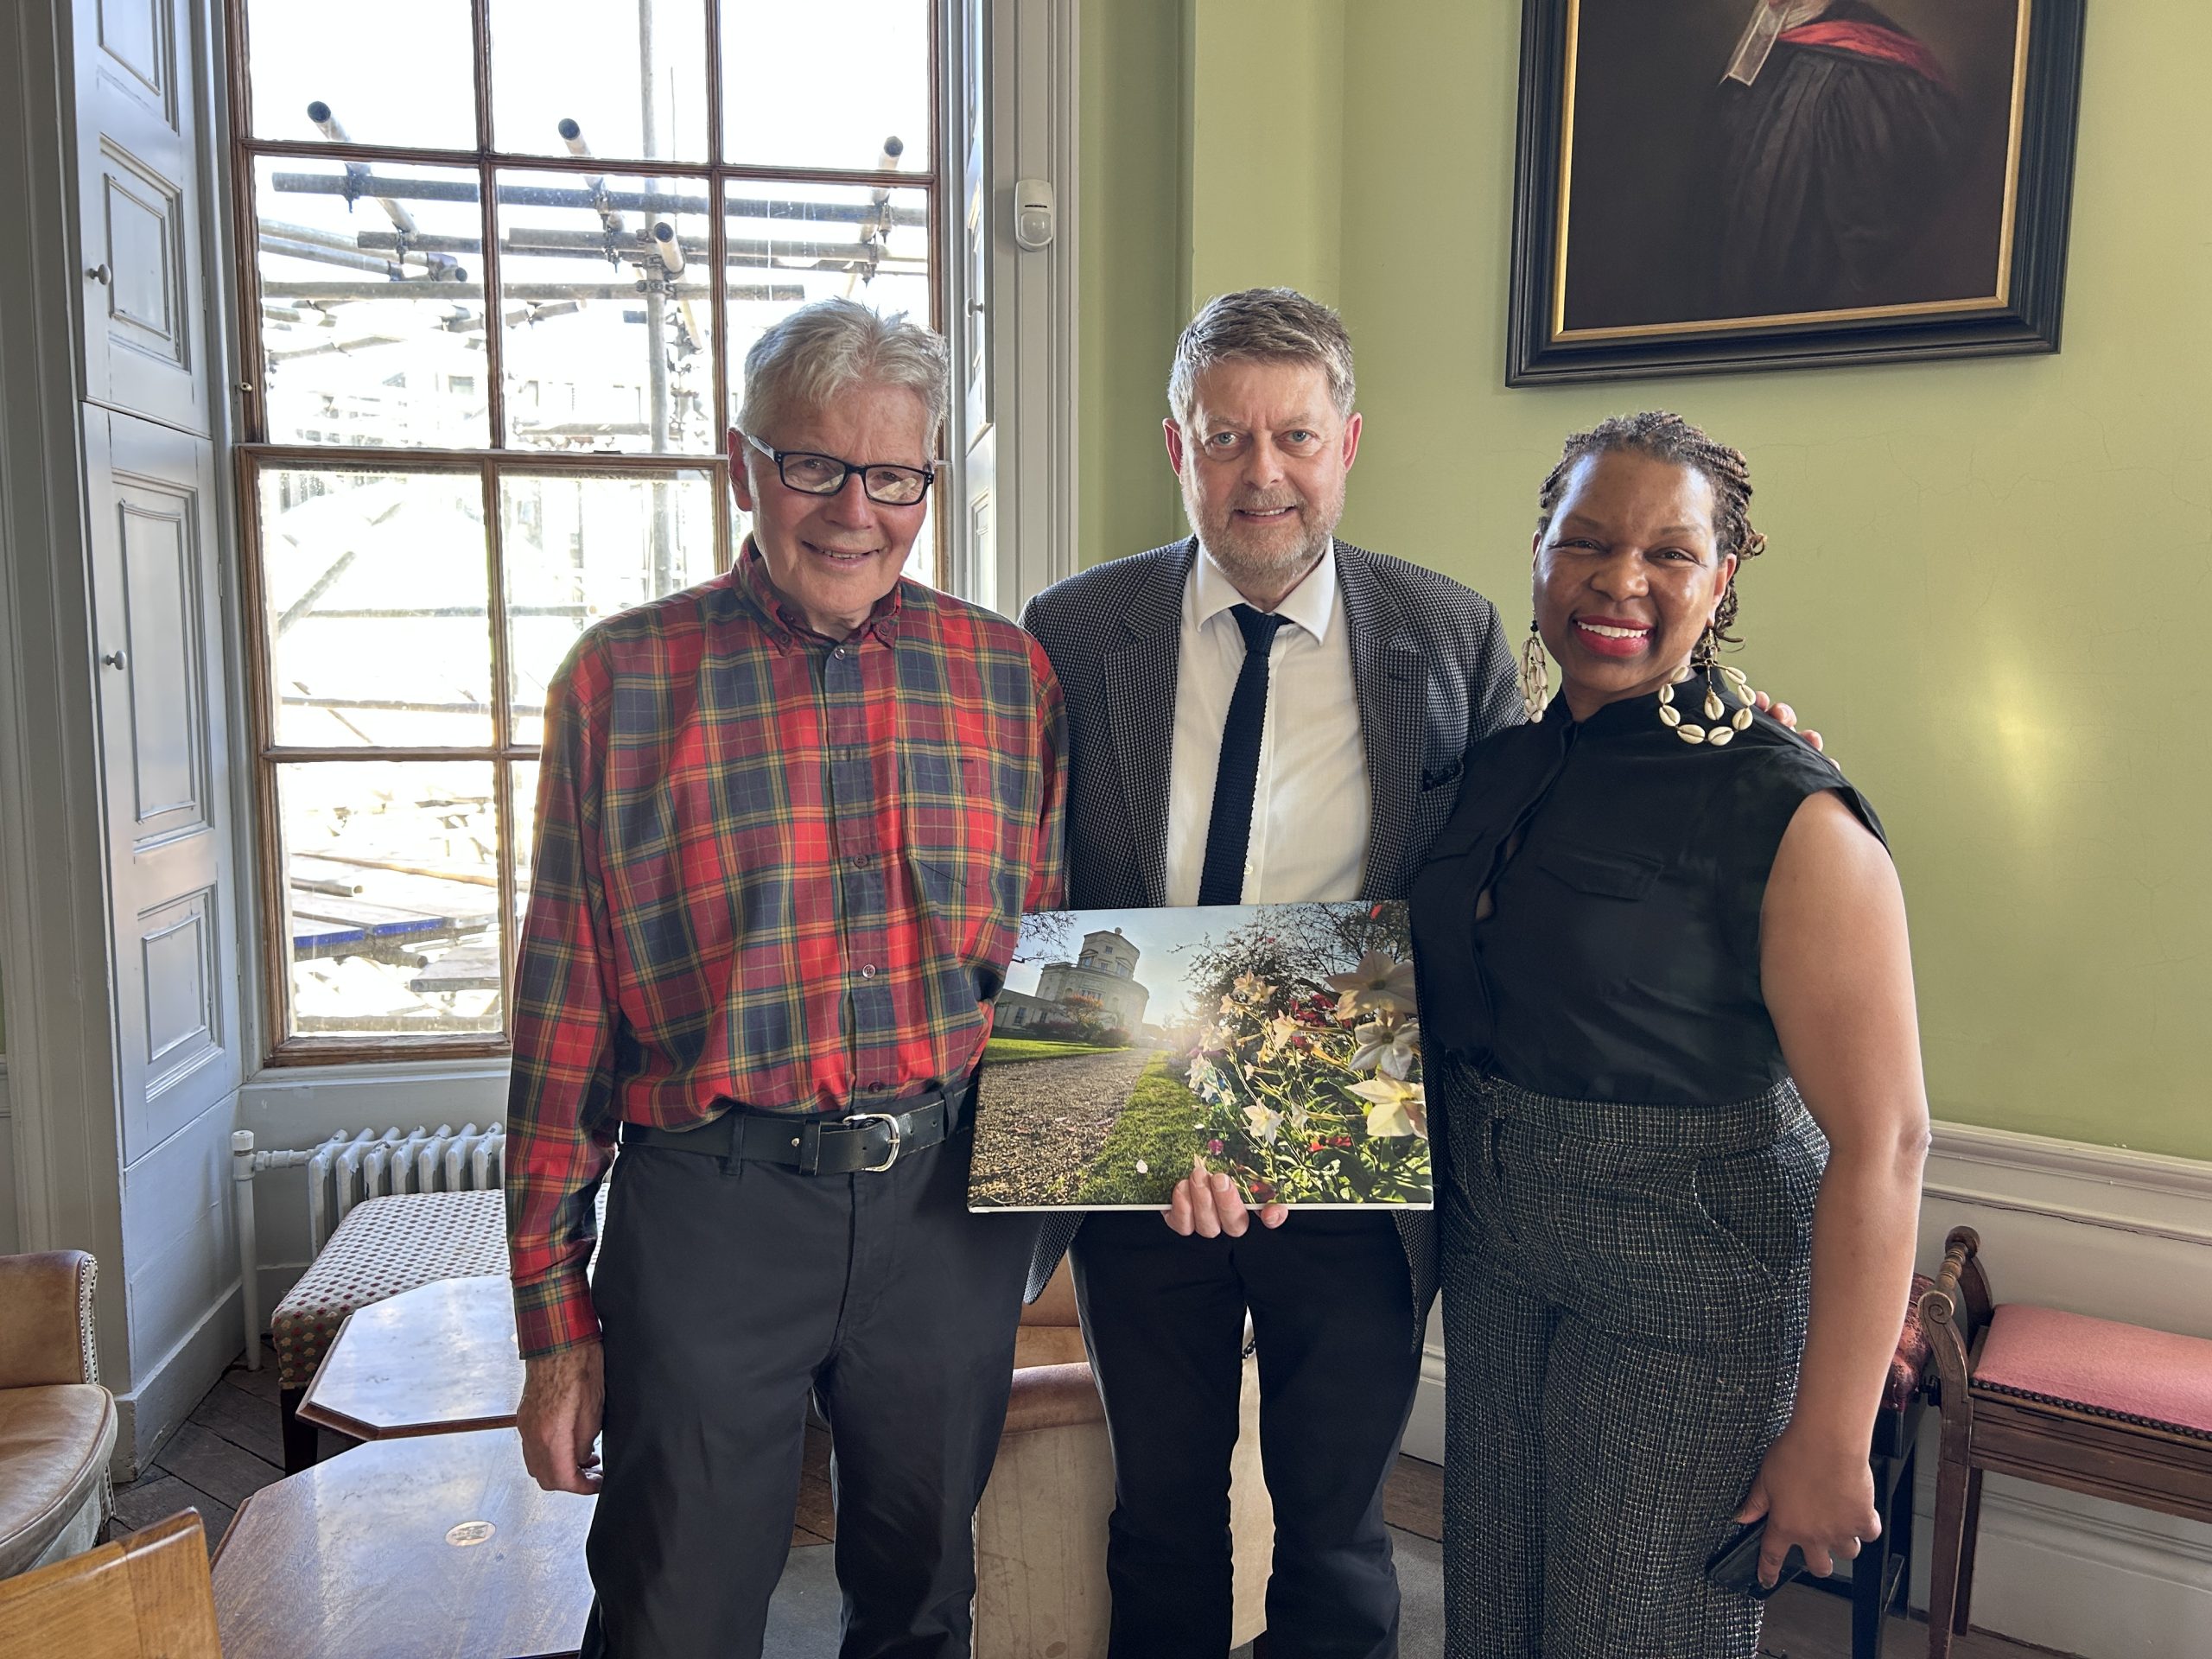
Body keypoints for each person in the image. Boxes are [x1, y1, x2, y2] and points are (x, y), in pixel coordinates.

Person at [502, 297, 1067, 1659]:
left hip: (944, 1216)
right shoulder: (620, 683)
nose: (854, 511)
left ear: (930, 483)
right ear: (742, 465)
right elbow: (563, 1022)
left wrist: (1038, 1231)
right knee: (672, 1614)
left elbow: (1046, 970)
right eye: (814, 465)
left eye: (895, 476)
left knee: (923, 1605)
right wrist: (554, 1324)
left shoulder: (1009, 678)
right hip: (713, 1214)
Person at [1020, 288, 1522, 1658]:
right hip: (1139, 1159)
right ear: (1175, 448)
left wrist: (1730, 729)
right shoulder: (1073, 633)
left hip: (1352, 1172)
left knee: (1340, 1536)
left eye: (1294, 435)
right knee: (1161, 1525)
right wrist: (1172, 1129)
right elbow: (1041, 894)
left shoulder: (1452, 635)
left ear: (1346, 443)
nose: (1263, 472)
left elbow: (1513, 875)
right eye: (1225, 436)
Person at [1408, 412, 1929, 1656]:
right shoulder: (1498, 767)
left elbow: (1888, 1140)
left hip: (1693, 1273)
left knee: (1634, 1628)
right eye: (1586, 541)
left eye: (1668, 554)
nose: (1620, 581)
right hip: (1495, 1244)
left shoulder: (1787, 808)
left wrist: (1833, 1434)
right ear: (1540, 552)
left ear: (1723, 577)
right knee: (1490, 1608)